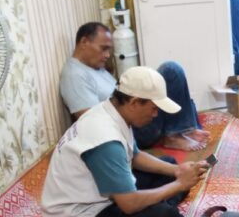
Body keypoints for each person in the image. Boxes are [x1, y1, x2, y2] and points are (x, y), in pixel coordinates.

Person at [42, 66, 209, 217]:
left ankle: (159, 201)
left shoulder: (111, 111)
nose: (156, 115)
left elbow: (134, 156)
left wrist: (177, 171)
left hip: (104, 195)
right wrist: (179, 184)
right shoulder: (105, 139)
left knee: (169, 166)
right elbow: (129, 204)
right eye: (153, 108)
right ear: (135, 103)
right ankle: (161, 206)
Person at [60, 22, 210, 151]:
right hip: (133, 129)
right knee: (171, 70)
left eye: (108, 50)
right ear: (84, 42)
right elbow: (91, 123)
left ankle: (183, 129)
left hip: (133, 117)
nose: (107, 55)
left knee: (175, 92)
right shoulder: (74, 75)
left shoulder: (95, 67)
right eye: (103, 48)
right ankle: (174, 135)